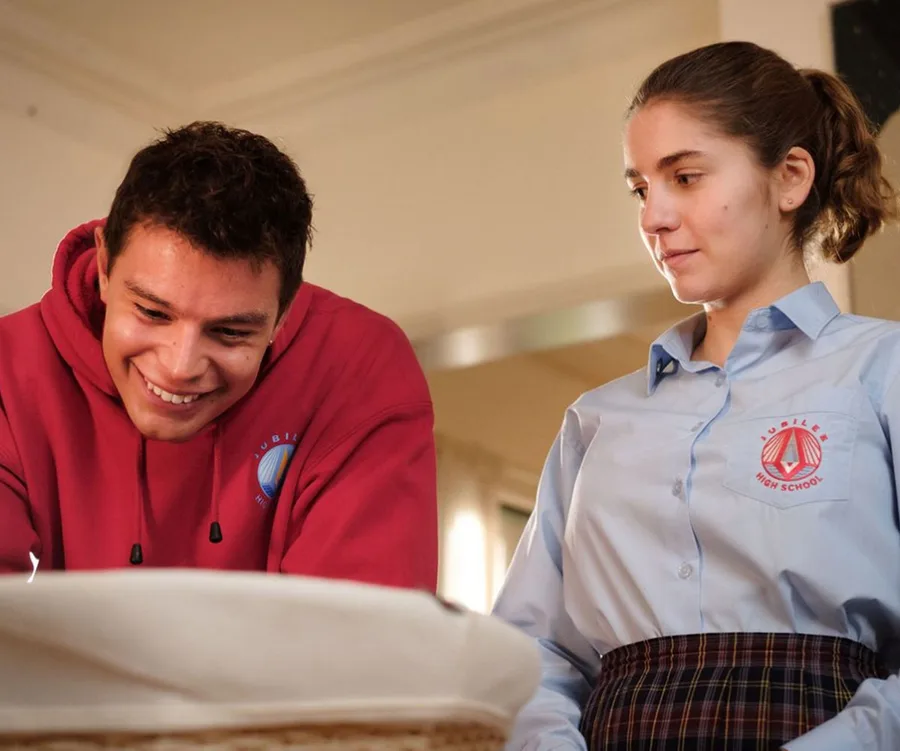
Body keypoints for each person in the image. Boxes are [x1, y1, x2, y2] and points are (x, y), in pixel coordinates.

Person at [493, 40, 900, 750]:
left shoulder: (883, 371)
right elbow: (532, 650)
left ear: (790, 178)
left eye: (684, 176)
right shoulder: (596, 419)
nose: (653, 217)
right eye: (641, 189)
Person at [0, 121, 438, 590]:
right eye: (151, 312)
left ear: (284, 313)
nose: (180, 366)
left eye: (229, 333)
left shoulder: (362, 370)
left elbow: (361, 644)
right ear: (105, 269)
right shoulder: (9, 371)